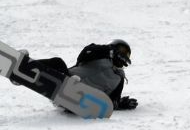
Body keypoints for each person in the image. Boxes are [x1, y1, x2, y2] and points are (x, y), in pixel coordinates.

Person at [11, 39, 139, 111]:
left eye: (127, 54)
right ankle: (22, 72)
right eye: (122, 50)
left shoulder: (119, 78)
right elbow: (85, 53)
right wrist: (107, 51)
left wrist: (121, 103)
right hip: (67, 79)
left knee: (59, 63)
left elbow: (112, 101)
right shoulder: (98, 54)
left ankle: (73, 96)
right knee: (58, 62)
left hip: (83, 98)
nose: (123, 55)